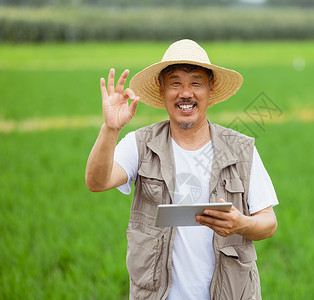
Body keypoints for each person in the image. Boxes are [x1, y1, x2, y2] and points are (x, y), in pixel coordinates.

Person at [85, 39, 278, 300]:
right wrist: (110, 128)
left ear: (210, 89)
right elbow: (97, 181)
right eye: (175, 83)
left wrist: (240, 224)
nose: (185, 93)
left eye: (195, 82)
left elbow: (268, 223)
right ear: (161, 88)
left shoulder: (241, 150)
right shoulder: (140, 145)